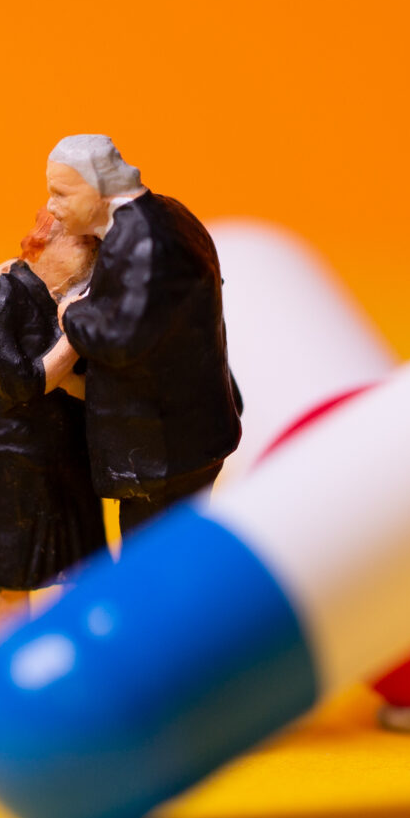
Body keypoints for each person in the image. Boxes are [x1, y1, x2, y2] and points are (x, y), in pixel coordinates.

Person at [40, 134, 241, 539]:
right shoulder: (167, 214)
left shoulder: (143, 241)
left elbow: (122, 338)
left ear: (98, 191)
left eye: (60, 194)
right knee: (177, 549)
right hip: (186, 434)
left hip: (162, 451)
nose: (51, 207)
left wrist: (72, 313)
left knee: (154, 561)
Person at [0, 208, 107, 621]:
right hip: (21, 457)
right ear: (46, 244)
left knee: (82, 564)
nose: (93, 253)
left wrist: (71, 381)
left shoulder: (83, 295)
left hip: (73, 450)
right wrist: (70, 339)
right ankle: (8, 654)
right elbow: (21, 383)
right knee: (16, 570)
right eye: (84, 243)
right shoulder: (8, 296)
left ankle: (77, 647)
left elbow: (97, 380)